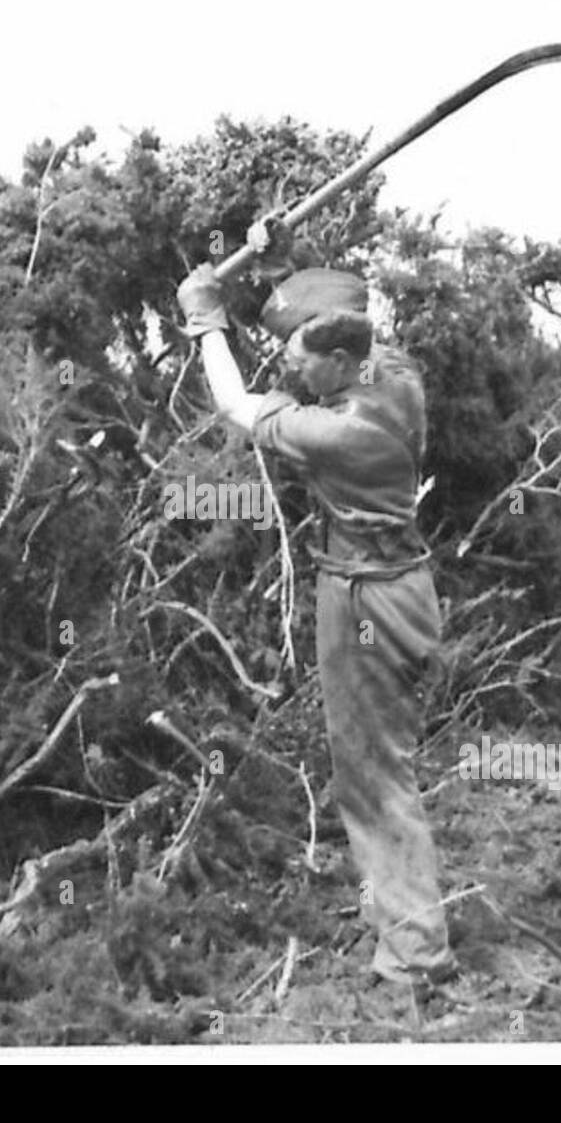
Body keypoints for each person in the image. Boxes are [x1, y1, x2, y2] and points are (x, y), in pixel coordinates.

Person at [176, 244, 459, 996]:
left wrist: (207, 324)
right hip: (400, 585)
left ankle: (416, 956)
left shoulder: (340, 434)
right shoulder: (391, 370)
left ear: (339, 359)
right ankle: (404, 924)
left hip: (367, 600)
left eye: (300, 358)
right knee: (377, 766)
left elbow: (236, 408)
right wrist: (277, 266)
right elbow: (328, 308)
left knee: (372, 775)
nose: (288, 369)